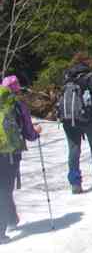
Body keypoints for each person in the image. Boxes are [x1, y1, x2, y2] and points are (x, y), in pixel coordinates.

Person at [59, 52, 92, 193]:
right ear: (87, 61)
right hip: (89, 119)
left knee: (73, 150)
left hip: (69, 119)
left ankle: (75, 182)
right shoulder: (91, 77)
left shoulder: (67, 76)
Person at [0, 76, 41, 240]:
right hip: (9, 153)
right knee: (4, 189)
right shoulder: (17, 105)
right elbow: (29, 133)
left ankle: (11, 219)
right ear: (16, 89)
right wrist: (36, 133)